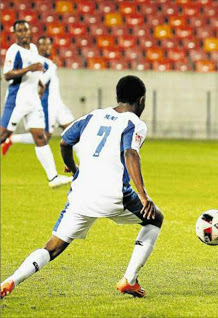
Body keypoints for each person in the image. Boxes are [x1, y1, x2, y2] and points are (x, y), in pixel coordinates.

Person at [0, 75, 164, 299]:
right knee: (155, 218)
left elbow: (65, 141)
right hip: (113, 195)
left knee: (53, 246)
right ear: (142, 100)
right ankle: (129, 280)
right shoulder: (134, 123)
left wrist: (72, 167)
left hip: (81, 195)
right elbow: (130, 153)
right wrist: (144, 196)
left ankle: (10, 281)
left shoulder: (93, 115)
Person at [1, 20, 71, 188]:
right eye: (20, 30)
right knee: (3, 135)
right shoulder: (14, 51)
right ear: (15, 33)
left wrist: (40, 84)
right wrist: (29, 69)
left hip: (33, 100)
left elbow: (36, 72)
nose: (24, 33)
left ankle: (53, 178)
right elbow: (7, 75)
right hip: (17, 99)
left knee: (41, 137)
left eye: (26, 29)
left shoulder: (32, 48)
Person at [7, 36, 77, 155]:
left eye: (48, 44)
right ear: (38, 47)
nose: (46, 47)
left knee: (74, 132)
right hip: (48, 103)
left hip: (58, 103)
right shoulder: (38, 61)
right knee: (45, 137)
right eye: (43, 45)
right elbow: (41, 82)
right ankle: (12, 139)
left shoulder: (49, 63)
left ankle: (83, 166)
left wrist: (52, 66)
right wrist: (52, 68)